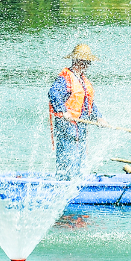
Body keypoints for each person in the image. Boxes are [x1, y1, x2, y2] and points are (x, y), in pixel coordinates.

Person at [49, 44, 102, 178]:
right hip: (67, 127)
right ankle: (63, 184)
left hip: (81, 128)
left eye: (89, 62)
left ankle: (77, 187)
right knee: (67, 160)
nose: (88, 64)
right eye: (86, 61)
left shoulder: (83, 80)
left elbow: (89, 103)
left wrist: (99, 118)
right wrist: (63, 111)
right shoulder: (65, 78)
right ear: (78, 61)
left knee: (80, 162)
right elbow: (53, 93)